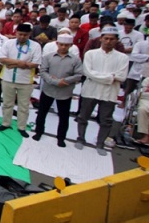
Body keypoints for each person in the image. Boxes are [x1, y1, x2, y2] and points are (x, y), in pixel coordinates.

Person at [75, 26, 129, 155]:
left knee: (106, 120)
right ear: (101, 39)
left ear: (116, 40)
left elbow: (122, 77)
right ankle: (81, 138)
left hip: (109, 93)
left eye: (112, 39)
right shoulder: (91, 54)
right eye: (106, 38)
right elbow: (88, 72)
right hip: (90, 90)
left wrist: (99, 76)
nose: (108, 41)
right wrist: (110, 77)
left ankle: (100, 143)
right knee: (83, 116)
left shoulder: (122, 57)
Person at [33, 34, 83, 147]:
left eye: (66, 45)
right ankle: (39, 131)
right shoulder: (48, 57)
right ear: (57, 44)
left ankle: (61, 137)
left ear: (70, 45)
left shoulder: (75, 60)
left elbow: (79, 75)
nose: (64, 47)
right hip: (48, 89)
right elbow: (43, 72)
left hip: (65, 92)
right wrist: (55, 82)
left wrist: (64, 80)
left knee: (64, 116)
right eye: (61, 44)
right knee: (42, 112)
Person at [0, 23, 42, 137]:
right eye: (20, 34)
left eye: (25, 35)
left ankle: (21, 126)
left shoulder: (35, 46)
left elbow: (35, 63)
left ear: (30, 34)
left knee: (24, 105)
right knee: (7, 103)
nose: (22, 37)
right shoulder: (9, 43)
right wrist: (21, 63)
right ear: (16, 33)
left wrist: (13, 63)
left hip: (26, 80)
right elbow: (2, 59)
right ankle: (6, 123)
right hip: (8, 78)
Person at [136, 77, 149, 145]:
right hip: (146, 100)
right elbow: (142, 93)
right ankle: (146, 135)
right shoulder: (147, 80)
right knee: (142, 110)